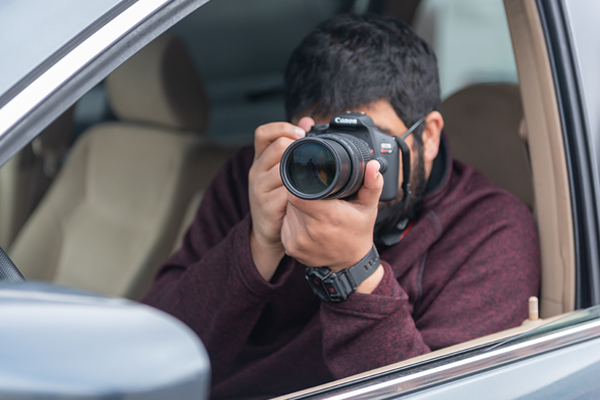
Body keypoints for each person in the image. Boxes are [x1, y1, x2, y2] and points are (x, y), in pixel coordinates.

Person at [142, 13, 540, 399]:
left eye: (370, 144)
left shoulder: (489, 229)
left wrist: (355, 273)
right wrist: (256, 245)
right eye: (322, 143)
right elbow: (152, 354)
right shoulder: (259, 181)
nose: (338, 169)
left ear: (429, 136)